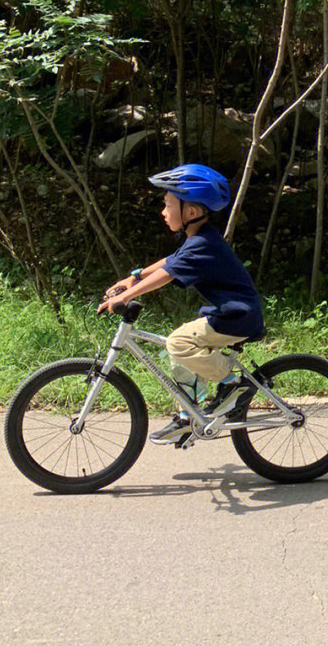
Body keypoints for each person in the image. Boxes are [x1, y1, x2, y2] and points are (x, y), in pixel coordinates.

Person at [98, 164, 265, 444]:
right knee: (177, 350)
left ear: (191, 212)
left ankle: (233, 384)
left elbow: (167, 275)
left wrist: (125, 297)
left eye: (168, 205)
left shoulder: (203, 244)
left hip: (238, 317)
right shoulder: (199, 239)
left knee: (177, 342)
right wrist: (134, 277)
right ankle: (189, 416)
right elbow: (169, 262)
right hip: (229, 314)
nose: (163, 212)